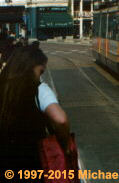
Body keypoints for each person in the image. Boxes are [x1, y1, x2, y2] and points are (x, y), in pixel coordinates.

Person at [0, 42, 72, 178]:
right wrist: (66, 144)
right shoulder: (39, 88)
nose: (40, 76)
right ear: (31, 67)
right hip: (30, 164)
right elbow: (61, 120)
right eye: (41, 71)